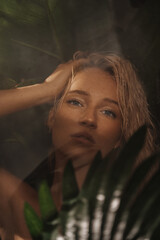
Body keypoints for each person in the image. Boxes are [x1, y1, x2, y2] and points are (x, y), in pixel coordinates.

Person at [0, 52, 157, 239]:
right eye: (76, 102)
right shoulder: (16, 202)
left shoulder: (132, 222)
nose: (89, 119)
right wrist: (45, 90)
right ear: (51, 117)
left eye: (108, 112)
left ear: (119, 138)